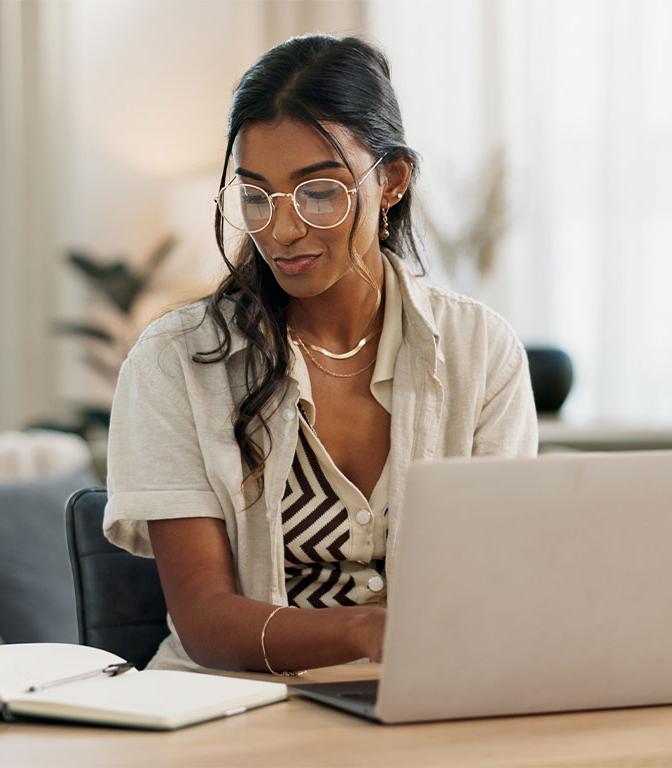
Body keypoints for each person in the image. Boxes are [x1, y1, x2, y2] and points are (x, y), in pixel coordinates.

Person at [104, 34, 538, 676]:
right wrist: (368, 631)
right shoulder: (173, 363)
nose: (282, 229)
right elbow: (206, 622)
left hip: (428, 696)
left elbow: (497, 578)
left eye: (319, 192)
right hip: (232, 706)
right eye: (256, 195)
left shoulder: (481, 350)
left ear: (392, 181)